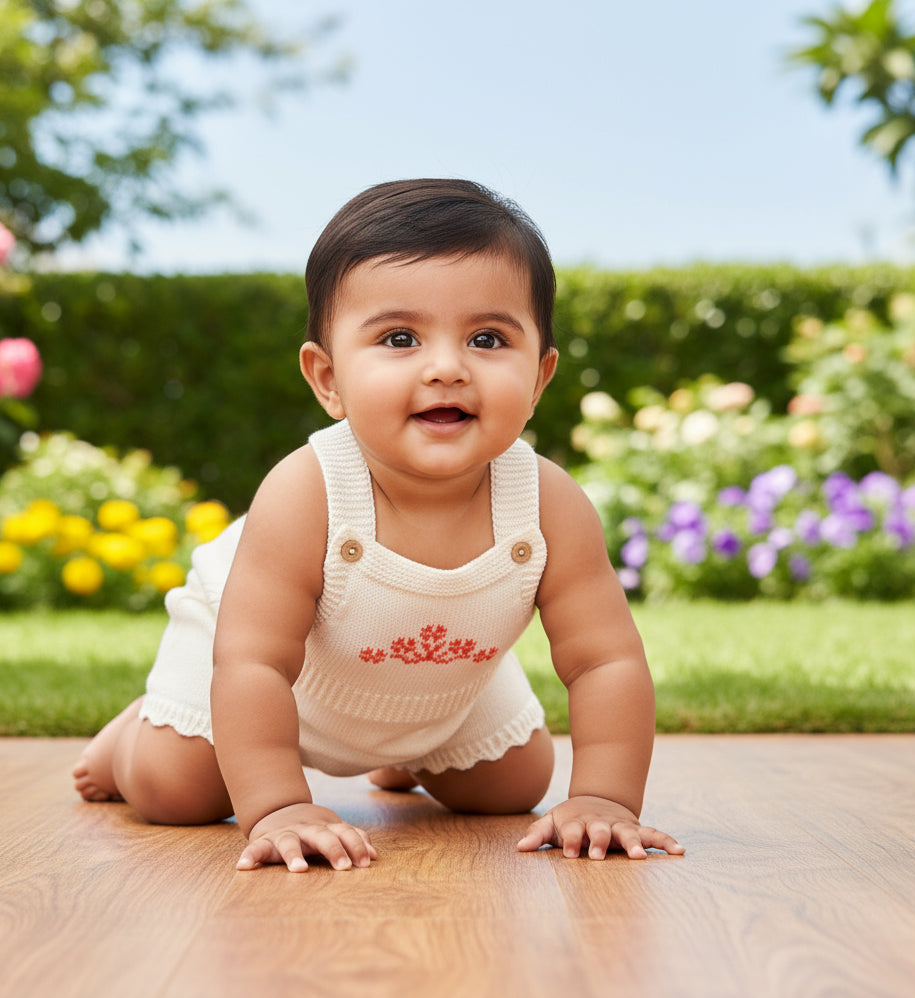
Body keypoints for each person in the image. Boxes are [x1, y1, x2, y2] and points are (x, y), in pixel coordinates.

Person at [73, 178, 685, 872]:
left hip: (440, 690)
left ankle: (406, 755)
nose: (447, 368)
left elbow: (605, 661)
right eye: (400, 338)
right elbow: (253, 662)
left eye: (487, 339)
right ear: (328, 379)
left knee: (514, 786)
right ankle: (125, 740)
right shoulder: (307, 492)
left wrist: (604, 798)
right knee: (176, 790)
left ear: (540, 378)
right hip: (265, 682)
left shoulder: (548, 504)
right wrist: (278, 807)